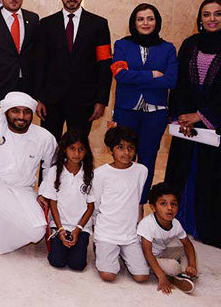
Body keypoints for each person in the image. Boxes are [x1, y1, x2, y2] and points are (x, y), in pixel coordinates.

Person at [0, 91, 56, 257]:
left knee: (37, 231)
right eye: (15, 111)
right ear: (6, 112)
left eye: (26, 112)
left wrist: (44, 192)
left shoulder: (44, 137)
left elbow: (51, 167)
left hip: (23, 190)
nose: (21, 116)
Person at [164, 0, 221, 248]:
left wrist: (202, 115)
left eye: (217, 14)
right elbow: (180, 84)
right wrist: (181, 116)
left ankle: (207, 229)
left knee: (211, 175)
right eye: (206, 14)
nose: (212, 19)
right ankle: (179, 224)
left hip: (214, 122)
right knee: (182, 171)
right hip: (186, 122)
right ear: (200, 18)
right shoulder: (190, 44)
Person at [111, 3, 177, 203]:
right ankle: (121, 201)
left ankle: (139, 203)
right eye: (140, 19)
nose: (145, 23)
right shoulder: (122, 45)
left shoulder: (168, 48)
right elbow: (120, 75)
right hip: (127, 110)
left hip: (155, 113)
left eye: (150, 18)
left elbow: (171, 80)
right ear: (134, 22)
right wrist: (152, 75)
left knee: (147, 159)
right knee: (123, 157)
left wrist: (135, 76)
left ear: (157, 22)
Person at [34, 0, 112, 141]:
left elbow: (104, 65)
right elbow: (39, 63)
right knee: (49, 146)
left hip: (84, 101)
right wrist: (38, 98)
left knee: (78, 147)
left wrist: (101, 101)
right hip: (51, 101)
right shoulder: (46, 24)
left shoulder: (98, 25)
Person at [92, 126, 149, 283]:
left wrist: (139, 228)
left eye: (131, 148)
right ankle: (103, 249)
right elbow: (96, 205)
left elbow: (138, 201)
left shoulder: (141, 171)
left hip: (130, 234)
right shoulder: (101, 173)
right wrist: (96, 234)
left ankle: (123, 254)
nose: (126, 153)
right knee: (108, 275)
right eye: (120, 147)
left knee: (142, 276)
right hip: (106, 233)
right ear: (110, 150)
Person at [38, 130, 94, 271]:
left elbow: (90, 207)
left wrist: (78, 229)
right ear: (64, 150)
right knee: (57, 261)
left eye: (81, 149)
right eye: (72, 149)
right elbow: (53, 203)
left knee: (77, 265)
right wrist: (61, 229)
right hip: (59, 225)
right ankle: (60, 241)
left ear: (86, 151)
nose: (76, 153)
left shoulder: (90, 174)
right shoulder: (55, 171)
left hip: (81, 227)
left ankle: (77, 243)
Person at [138, 182, 197, 295]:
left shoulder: (176, 223)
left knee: (185, 251)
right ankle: (173, 276)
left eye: (174, 204)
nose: (169, 208)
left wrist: (192, 265)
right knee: (173, 267)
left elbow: (188, 244)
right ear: (153, 207)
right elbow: (147, 252)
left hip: (161, 253)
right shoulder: (148, 224)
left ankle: (185, 273)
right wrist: (161, 277)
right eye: (163, 204)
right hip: (145, 257)